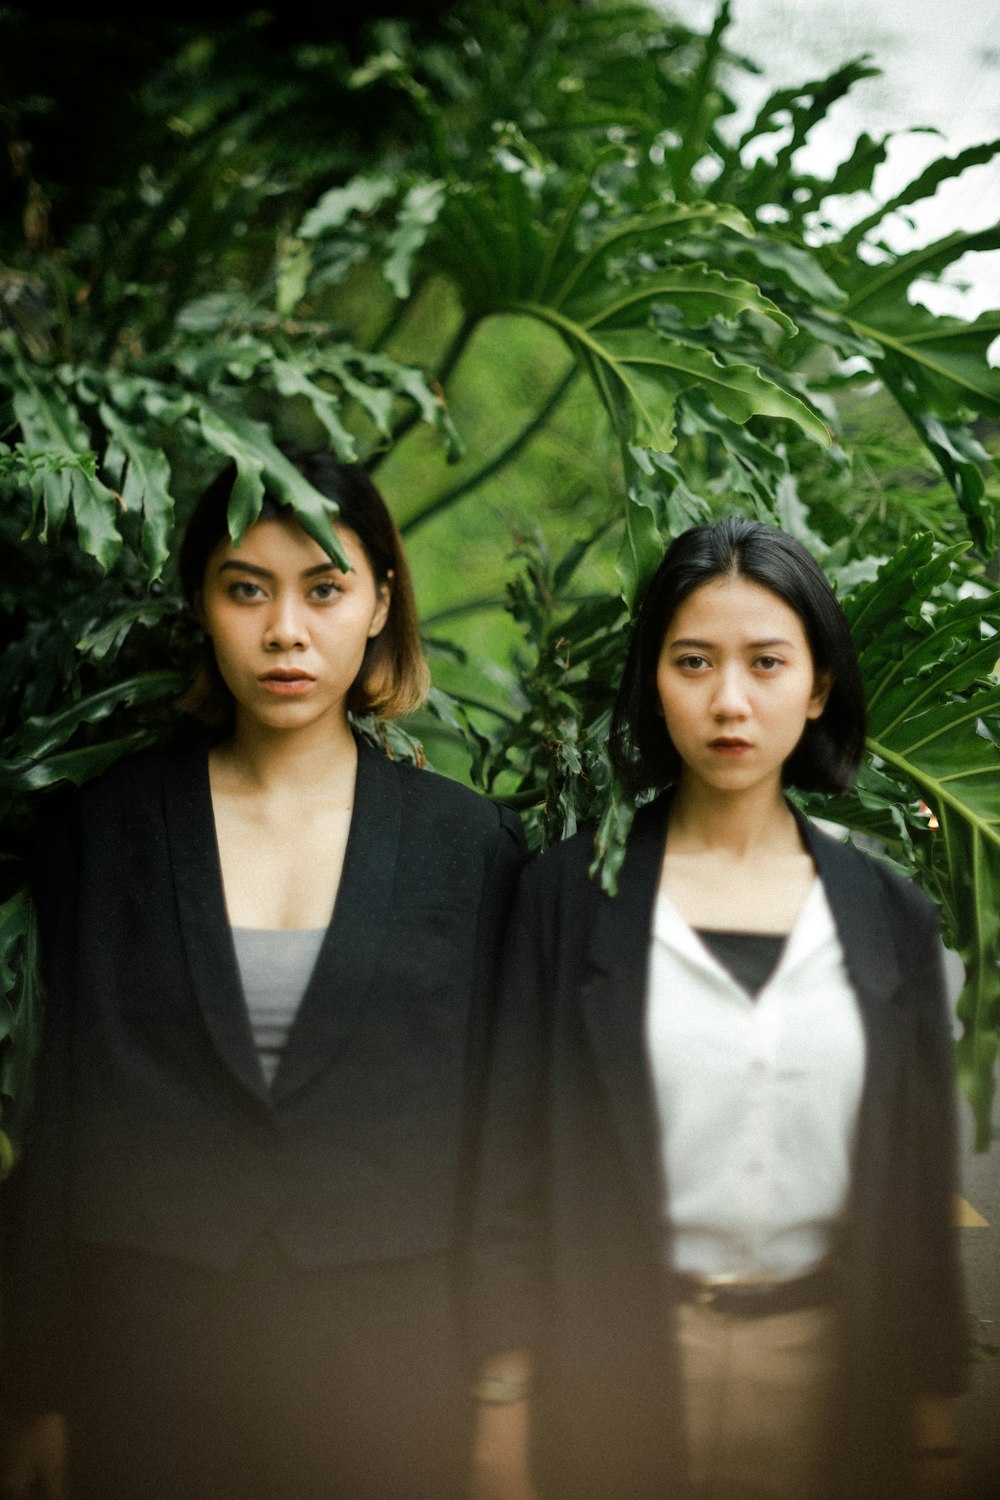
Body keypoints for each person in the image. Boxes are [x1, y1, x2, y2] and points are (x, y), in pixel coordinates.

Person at [1, 449, 525, 1500]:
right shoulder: (106, 831)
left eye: (324, 589)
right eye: (248, 590)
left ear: (380, 601)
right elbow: (65, 1117)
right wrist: (32, 1392)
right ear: (204, 602)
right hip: (146, 1367)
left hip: (396, 1364)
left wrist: (503, 1394)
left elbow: (502, 1136)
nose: (286, 629)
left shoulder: (469, 848)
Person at [469, 517, 966, 1500]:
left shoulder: (885, 916)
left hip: (837, 1373)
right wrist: (499, 1413)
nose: (728, 700)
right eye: (692, 661)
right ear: (653, 680)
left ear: (816, 685)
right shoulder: (569, 900)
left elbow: (914, 1189)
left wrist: (937, 1435)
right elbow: (508, 1170)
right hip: (613, 1366)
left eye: (766, 663)